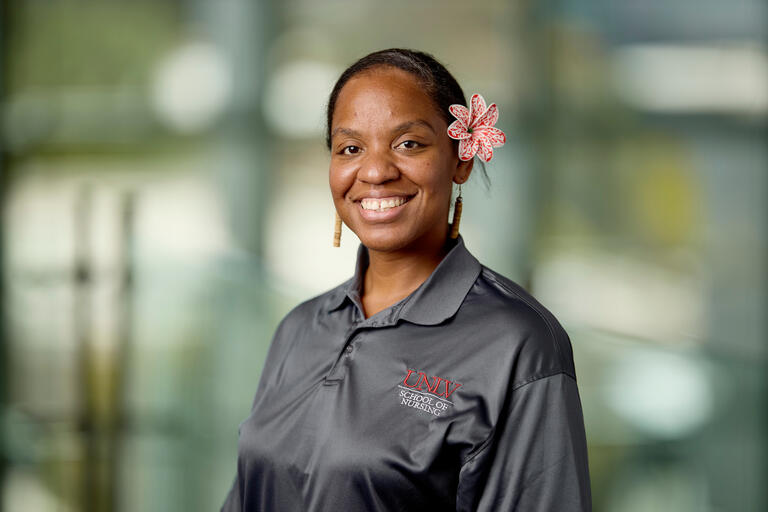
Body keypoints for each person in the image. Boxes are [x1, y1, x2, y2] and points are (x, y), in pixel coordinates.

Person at [220, 48, 592, 511]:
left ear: (461, 160)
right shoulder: (300, 328)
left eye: (408, 144)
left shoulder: (518, 344)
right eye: (350, 148)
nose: (375, 171)